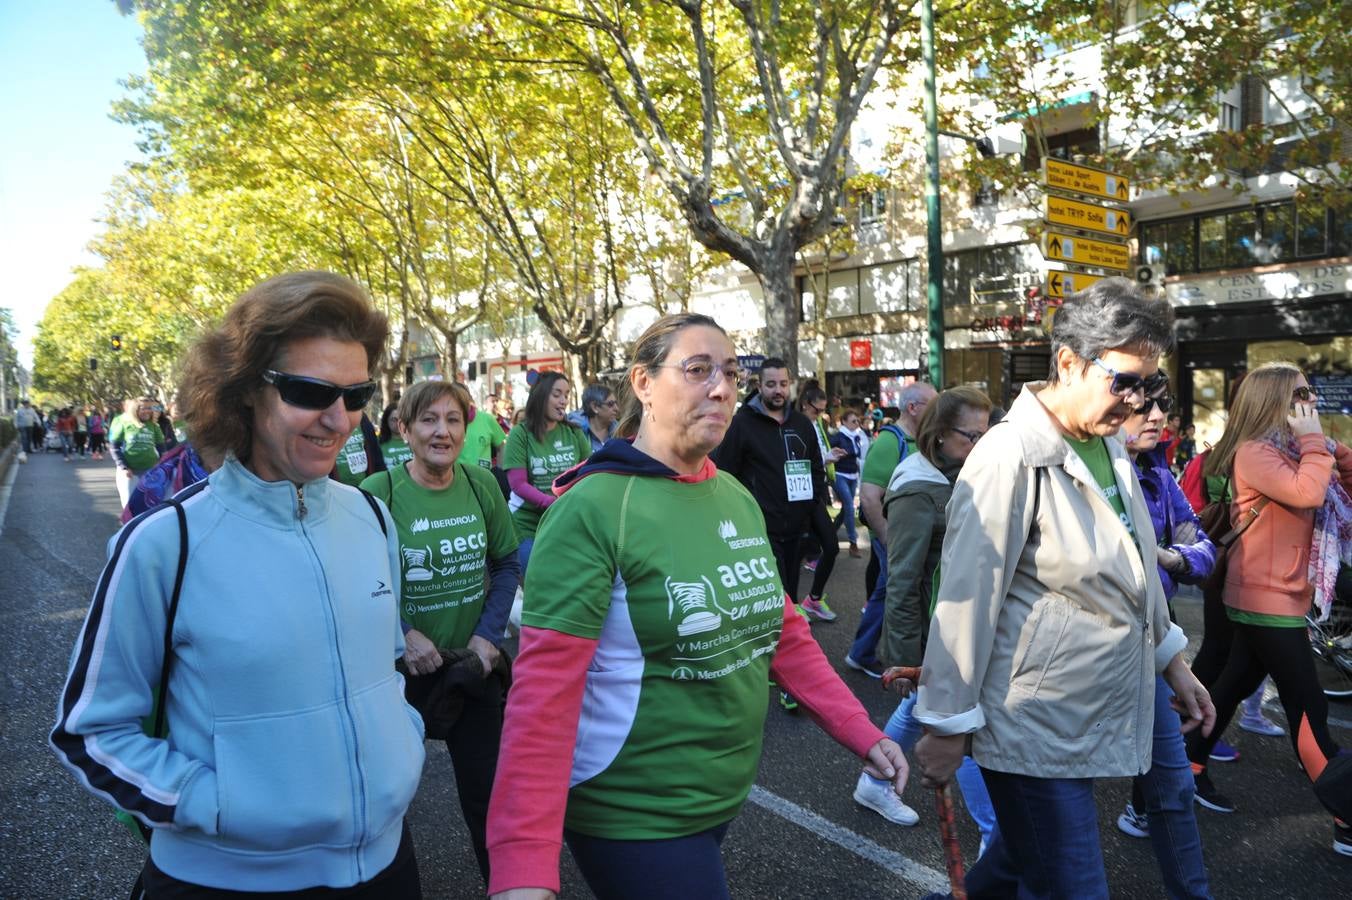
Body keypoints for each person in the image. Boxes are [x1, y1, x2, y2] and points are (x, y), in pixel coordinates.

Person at [483, 313, 910, 900]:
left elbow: (782, 629)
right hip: (634, 814)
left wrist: (862, 731)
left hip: (718, 800)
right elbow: (541, 699)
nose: (722, 388)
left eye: (731, 373)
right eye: (698, 369)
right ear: (643, 383)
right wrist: (522, 867)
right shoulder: (592, 509)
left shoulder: (733, 494)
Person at [51, 271, 425, 895]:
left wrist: (403, 745)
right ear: (247, 389)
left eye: (357, 395)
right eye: (311, 391)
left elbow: (380, 670)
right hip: (227, 879)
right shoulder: (165, 543)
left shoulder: (371, 516)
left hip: (389, 867)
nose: (339, 420)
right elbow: (90, 730)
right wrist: (216, 804)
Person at [912, 278, 1214, 898]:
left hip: (1110, 682)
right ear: (1069, 362)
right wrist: (945, 725)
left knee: (1032, 860)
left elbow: (1135, 564)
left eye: (1150, 384)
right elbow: (965, 598)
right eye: (1124, 381)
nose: (1137, 402)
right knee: (1072, 881)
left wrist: (1172, 659)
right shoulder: (1007, 454)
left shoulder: (1109, 442)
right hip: (1032, 716)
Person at [1183, 362, 1352, 856]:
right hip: (1263, 596)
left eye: (1310, 392)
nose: (1311, 401)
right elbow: (1308, 491)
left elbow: (1341, 485)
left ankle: (1184, 768)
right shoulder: (1255, 452)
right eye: (1301, 393)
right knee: (1308, 705)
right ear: (1276, 400)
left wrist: (1331, 448)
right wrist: (1317, 443)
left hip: (1281, 592)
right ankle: (1346, 816)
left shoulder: (1296, 448)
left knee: (1232, 684)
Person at [360, 380, 521, 886]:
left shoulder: (481, 484)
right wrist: (403, 632)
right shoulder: (376, 495)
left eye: (453, 420)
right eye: (429, 420)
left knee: (492, 799)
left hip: (471, 667)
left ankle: (507, 890)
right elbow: (359, 582)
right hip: (399, 678)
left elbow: (507, 563)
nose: (442, 432)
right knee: (384, 804)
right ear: (403, 430)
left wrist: (488, 638)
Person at [864, 387, 995, 841]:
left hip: (960, 626)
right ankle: (991, 837)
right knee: (964, 724)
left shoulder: (961, 470)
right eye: (969, 436)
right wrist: (902, 656)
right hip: (938, 630)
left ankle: (873, 780)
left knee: (918, 707)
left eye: (985, 434)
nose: (979, 444)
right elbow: (901, 578)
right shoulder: (917, 487)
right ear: (939, 434)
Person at [1109, 387, 1216, 899]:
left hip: (1154, 631)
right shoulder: (1082, 467)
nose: (1157, 417)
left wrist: (1168, 558)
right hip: (1080, 649)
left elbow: (1201, 550)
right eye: (1142, 406)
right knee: (1054, 811)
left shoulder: (1155, 471)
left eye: (1162, 407)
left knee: (1175, 786)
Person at [710, 358, 827, 610]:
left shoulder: (802, 424)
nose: (778, 390)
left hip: (797, 526)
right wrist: (741, 516)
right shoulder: (741, 424)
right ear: (760, 386)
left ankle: (789, 641)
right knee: (776, 597)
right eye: (771, 384)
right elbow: (724, 472)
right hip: (760, 529)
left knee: (791, 596)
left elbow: (816, 468)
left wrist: (809, 506)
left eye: (783, 384)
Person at [846, 380, 936, 677]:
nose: (938, 411)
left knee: (888, 594)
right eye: (932, 405)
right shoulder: (888, 442)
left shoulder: (918, 440)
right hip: (895, 540)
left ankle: (864, 653)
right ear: (912, 408)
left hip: (904, 540)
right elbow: (871, 497)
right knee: (889, 595)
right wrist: (891, 541)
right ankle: (863, 655)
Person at [502, 371, 590, 573]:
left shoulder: (574, 432)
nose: (563, 401)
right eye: (557, 394)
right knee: (538, 581)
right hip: (528, 525)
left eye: (566, 395)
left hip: (567, 522)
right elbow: (518, 484)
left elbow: (588, 475)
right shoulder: (520, 433)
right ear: (540, 396)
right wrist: (551, 503)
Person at [796, 387, 844, 624]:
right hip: (797, 496)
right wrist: (825, 459)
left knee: (831, 546)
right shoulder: (793, 424)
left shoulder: (816, 424)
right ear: (805, 403)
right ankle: (792, 608)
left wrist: (828, 456)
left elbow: (816, 456)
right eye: (818, 410)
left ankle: (813, 599)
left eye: (824, 411)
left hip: (816, 491)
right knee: (792, 552)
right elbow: (796, 460)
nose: (821, 414)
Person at [109, 397, 164, 505]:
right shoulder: (124, 424)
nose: (147, 411)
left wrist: (159, 465)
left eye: (149, 408)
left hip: (150, 471)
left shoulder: (154, 426)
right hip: (129, 472)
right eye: (143, 408)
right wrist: (124, 467)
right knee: (129, 504)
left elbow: (161, 448)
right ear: (135, 410)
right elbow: (114, 448)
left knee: (150, 504)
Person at [830, 408, 868, 557]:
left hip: (853, 476)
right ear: (844, 422)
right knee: (849, 507)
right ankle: (853, 543)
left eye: (857, 421)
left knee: (846, 509)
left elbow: (859, 454)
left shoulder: (857, 437)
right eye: (853, 421)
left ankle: (829, 534)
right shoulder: (839, 437)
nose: (856, 423)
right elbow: (829, 450)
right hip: (840, 475)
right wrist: (836, 454)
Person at [331, 411, 386, 486]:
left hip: (364, 487)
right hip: (335, 487)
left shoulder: (362, 418)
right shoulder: (328, 417)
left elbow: (376, 453)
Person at [463, 388, 509, 469]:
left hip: (485, 477)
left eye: (496, 401)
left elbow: (502, 445)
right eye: (492, 401)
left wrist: (499, 470)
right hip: (457, 478)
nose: (495, 404)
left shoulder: (488, 419)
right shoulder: (447, 422)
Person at [568, 382, 619, 453]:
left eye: (616, 403)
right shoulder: (574, 432)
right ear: (594, 407)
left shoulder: (621, 432)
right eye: (610, 404)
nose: (616, 408)